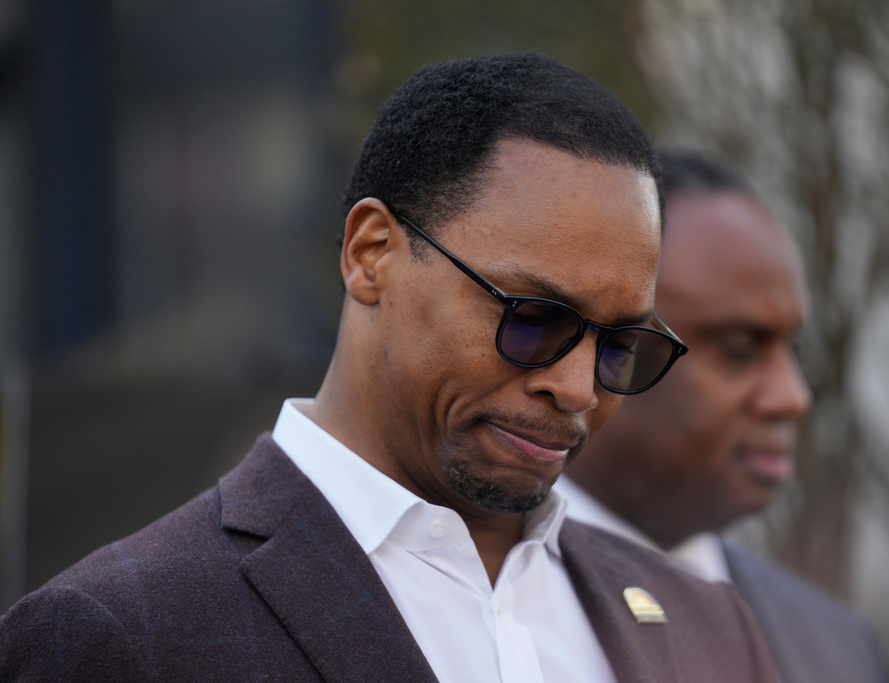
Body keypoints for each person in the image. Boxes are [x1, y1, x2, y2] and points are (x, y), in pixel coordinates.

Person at [0, 55, 778, 682]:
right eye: (533, 319)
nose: (577, 389)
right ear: (371, 254)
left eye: (617, 346)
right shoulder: (120, 635)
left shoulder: (706, 627)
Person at [557, 151, 889, 683]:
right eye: (740, 350)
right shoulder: (452, 600)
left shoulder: (840, 647)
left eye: (793, 350)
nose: (792, 397)